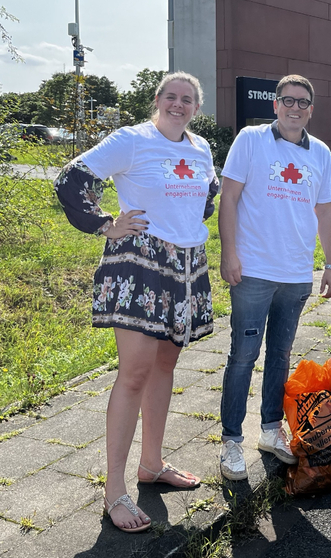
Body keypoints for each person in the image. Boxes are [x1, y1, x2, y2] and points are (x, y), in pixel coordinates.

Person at [54, 72, 217, 532]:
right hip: (139, 265)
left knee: (165, 366)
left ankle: (152, 465)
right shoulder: (132, 140)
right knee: (134, 375)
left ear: (196, 107)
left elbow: (209, 192)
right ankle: (114, 491)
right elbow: (72, 178)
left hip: (187, 266)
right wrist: (105, 223)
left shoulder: (200, 148)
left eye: (188, 99)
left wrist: (184, 218)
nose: (178, 105)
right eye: (171, 97)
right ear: (157, 100)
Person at [217, 74, 331, 481]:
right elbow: (229, 198)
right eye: (288, 100)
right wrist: (228, 253)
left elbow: (324, 213)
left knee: (280, 356)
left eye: (303, 102)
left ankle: (270, 430)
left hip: (295, 273)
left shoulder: (319, 152)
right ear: (275, 105)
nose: (295, 108)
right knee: (243, 357)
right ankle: (231, 440)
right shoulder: (251, 140)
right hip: (252, 270)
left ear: (311, 109)